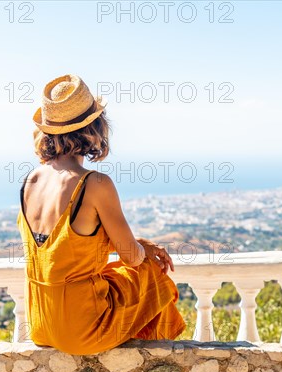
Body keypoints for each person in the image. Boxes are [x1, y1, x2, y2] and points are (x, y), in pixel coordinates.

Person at [16, 74, 186, 355]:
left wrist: (139, 243)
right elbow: (131, 258)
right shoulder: (94, 184)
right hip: (81, 330)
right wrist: (140, 249)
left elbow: (64, 247)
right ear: (93, 128)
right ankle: (160, 360)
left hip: (40, 323)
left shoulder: (30, 180)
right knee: (150, 272)